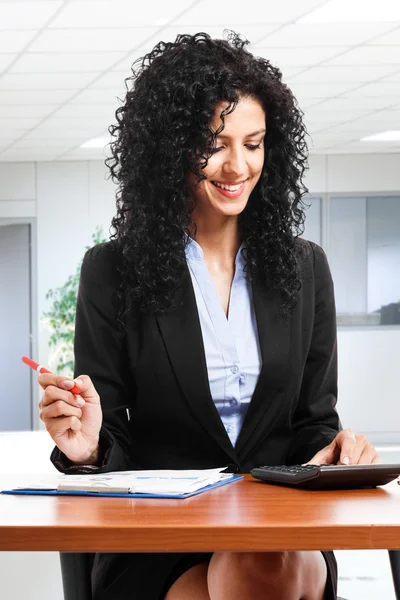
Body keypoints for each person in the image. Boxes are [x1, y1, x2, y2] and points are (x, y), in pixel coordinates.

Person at [38, 32, 380, 600]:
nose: (237, 166)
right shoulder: (113, 271)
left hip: (279, 530)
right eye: (215, 144)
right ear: (170, 147)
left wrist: (338, 452)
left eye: (254, 143)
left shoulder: (304, 268)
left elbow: (312, 423)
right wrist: (89, 448)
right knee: (242, 575)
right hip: (161, 537)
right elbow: (115, 438)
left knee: (257, 563)